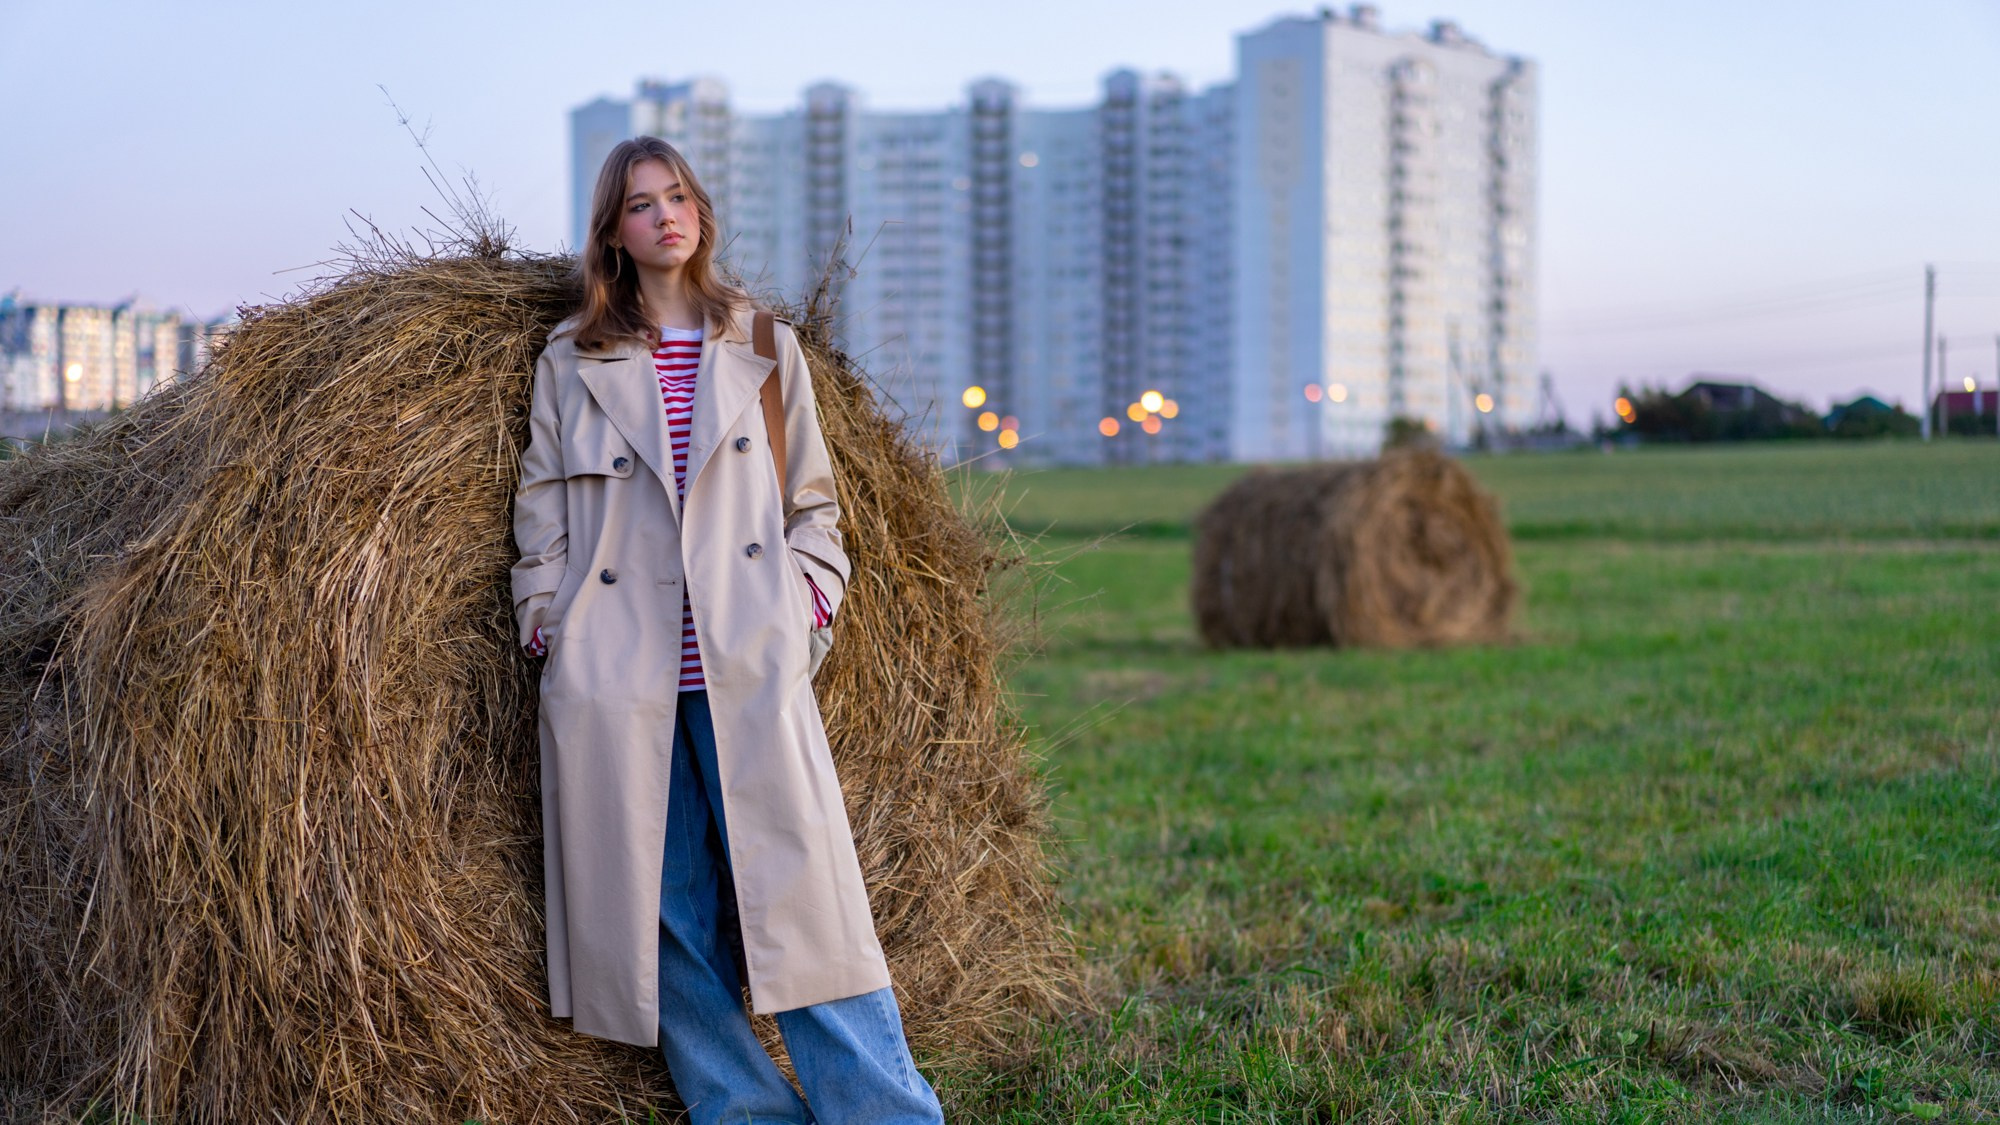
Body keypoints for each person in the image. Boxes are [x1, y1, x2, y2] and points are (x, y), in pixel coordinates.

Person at [509, 136, 943, 1125]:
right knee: (662, 918)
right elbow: (539, 510)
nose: (664, 214)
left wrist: (804, 606)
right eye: (638, 205)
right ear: (611, 235)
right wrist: (548, 626)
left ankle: (884, 1111)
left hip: (745, 659)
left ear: (699, 210)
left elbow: (813, 505)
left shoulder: (760, 344)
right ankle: (743, 1113)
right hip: (620, 672)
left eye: (676, 196)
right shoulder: (570, 360)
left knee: (807, 901)